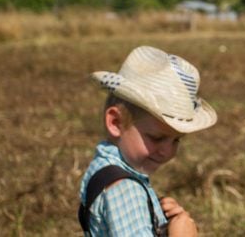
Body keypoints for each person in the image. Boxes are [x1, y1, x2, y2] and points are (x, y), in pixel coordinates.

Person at [79, 45, 217, 236]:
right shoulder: (126, 191)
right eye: (157, 138)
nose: (167, 151)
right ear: (115, 122)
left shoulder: (104, 168)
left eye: (176, 140)